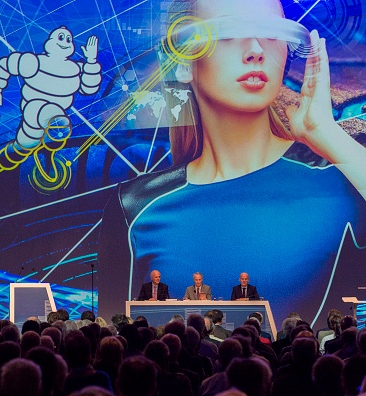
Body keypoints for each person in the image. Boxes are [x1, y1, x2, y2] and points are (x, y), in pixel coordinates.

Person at [97, 0, 366, 323]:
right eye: (228, 32)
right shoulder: (135, 208)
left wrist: (325, 134)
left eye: (270, 33)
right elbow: (115, 348)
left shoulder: (344, 177)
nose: (255, 50)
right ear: (183, 63)